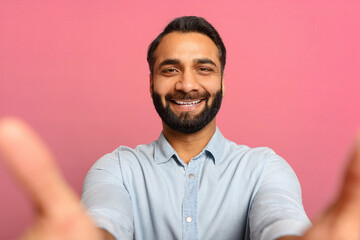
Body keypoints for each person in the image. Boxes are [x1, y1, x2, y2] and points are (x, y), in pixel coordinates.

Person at [0, 16, 359, 240]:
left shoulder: (263, 168)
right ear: (151, 82)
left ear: (222, 81)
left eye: (204, 68)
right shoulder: (117, 169)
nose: (187, 85)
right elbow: (106, 221)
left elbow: (279, 220)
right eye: (170, 70)